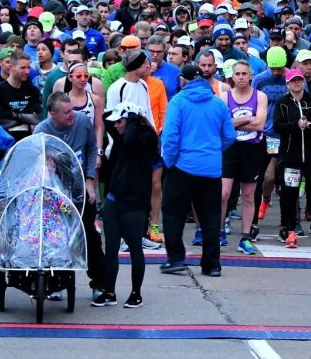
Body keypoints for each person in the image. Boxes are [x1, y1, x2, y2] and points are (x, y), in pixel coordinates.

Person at [159, 64, 235, 278]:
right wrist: (212, 151)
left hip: (182, 166)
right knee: (210, 216)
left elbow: (170, 137)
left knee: (173, 214)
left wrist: (170, 161)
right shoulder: (218, 104)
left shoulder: (178, 102)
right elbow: (229, 135)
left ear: (184, 80)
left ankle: (176, 258)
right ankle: (212, 264)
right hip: (210, 168)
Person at [35, 92, 102, 302]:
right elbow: (36, 165)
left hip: (81, 187)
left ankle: (100, 284)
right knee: (56, 237)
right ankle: (56, 284)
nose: (71, 115)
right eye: (66, 113)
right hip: (55, 192)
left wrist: (90, 180)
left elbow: (91, 148)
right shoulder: (42, 131)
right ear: (53, 114)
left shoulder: (81, 121)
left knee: (90, 235)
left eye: (72, 109)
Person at [92, 103, 157, 309]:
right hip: (114, 199)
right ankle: (110, 291)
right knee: (110, 248)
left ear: (132, 122)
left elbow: (131, 138)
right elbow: (105, 118)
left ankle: (136, 293)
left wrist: (132, 118)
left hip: (135, 202)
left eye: (121, 122)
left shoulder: (146, 138)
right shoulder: (121, 137)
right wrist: (122, 115)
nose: (117, 125)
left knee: (135, 248)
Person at [273, 67, 311, 250]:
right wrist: (296, 125)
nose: (297, 83)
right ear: (287, 84)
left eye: (299, 79)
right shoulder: (282, 102)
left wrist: (309, 125)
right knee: (289, 194)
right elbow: (277, 126)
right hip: (290, 157)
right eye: (293, 80)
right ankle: (290, 231)